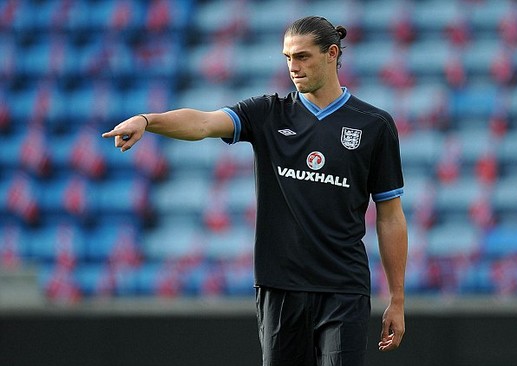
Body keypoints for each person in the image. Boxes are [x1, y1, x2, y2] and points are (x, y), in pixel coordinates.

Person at [103, 16, 408, 366]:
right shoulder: (267, 112)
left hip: (343, 289)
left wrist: (396, 299)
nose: (293, 66)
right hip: (279, 286)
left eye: (303, 56)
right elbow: (203, 123)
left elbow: (390, 215)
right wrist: (148, 120)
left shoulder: (373, 125)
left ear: (332, 54)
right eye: (287, 57)